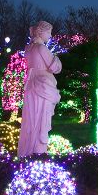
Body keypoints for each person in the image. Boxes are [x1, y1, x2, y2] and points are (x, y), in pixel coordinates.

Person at [17, 21, 62, 156]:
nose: (50, 35)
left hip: (31, 85)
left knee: (32, 120)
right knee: (42, 119)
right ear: (40, 32)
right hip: (43, 86)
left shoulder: (28, 49)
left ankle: (30, 150)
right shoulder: (41, 49)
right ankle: (38, 153)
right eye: (48, 32)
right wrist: (57, 59)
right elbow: (55, 67)